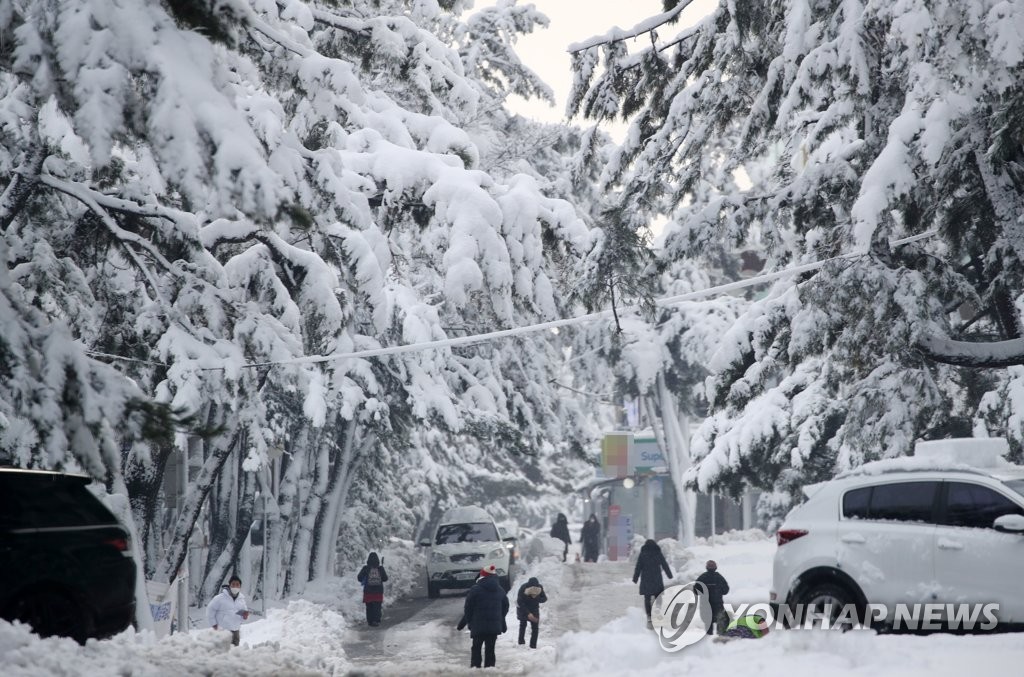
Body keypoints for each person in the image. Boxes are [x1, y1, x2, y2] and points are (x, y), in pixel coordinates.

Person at [456, 564, 510, 668]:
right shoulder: (500, 590)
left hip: (478, 626)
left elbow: (468, 609)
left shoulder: (475, 589)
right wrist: (500, 618)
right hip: (493, 627)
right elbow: (506, 606)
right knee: (490, 649)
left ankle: (476, 670)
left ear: (481, 576)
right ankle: (489, 671)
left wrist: (465, 623)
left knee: (476, 648)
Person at [632, 539, 673, 629]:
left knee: (647, 598)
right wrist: (669, 575)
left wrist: (635, 578)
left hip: (646, 579)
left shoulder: (643, 554)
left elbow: (638, 567)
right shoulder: (657, 553)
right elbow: (664, 564)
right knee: (658, 598)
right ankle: (658, 613)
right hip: (656, 579)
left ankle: (649, 617)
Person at [206, 575, 249, 646]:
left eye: (237, 584)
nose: (235, 587)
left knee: (234, 653)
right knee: (223, 652)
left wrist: (245, 616)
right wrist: (213, 624)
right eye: (233, 584)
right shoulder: (220, 598)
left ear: (240, 587)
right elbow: (210, 610)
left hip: (236, 631)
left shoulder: (241, 600)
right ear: (229, 585)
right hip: (223, 631)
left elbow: (243, 614)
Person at [695, 559, 730, 635]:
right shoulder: (719, 577)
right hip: (718, 605)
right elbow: (726, 590)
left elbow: (695, 591)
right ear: (715, 568)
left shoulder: (702, 577)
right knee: (720, 624)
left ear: (706, 568)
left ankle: (709, 641)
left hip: (705, 605)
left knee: (708, 625)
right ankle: (719, 641)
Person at [357, 551, 389, 627]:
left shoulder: (366, 568)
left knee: (369, 606)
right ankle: (376, 620)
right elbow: (385, 578)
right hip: (378, 591)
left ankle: (370, 621)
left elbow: (359, 577)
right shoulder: (380, 568)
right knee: (377, 606)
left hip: (368, 591)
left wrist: (365, 579)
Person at [515, 577, 547, 648]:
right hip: (523, 609)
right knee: (523, 625)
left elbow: (544, 598)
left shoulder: (539, 587)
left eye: (535, 587)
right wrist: (528, 613)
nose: (534, 589)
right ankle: (521, 642)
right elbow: (520, 602)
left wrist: (536, 598)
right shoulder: (523, 588)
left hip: (534, 609)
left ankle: (533, 645)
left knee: (535, 628)